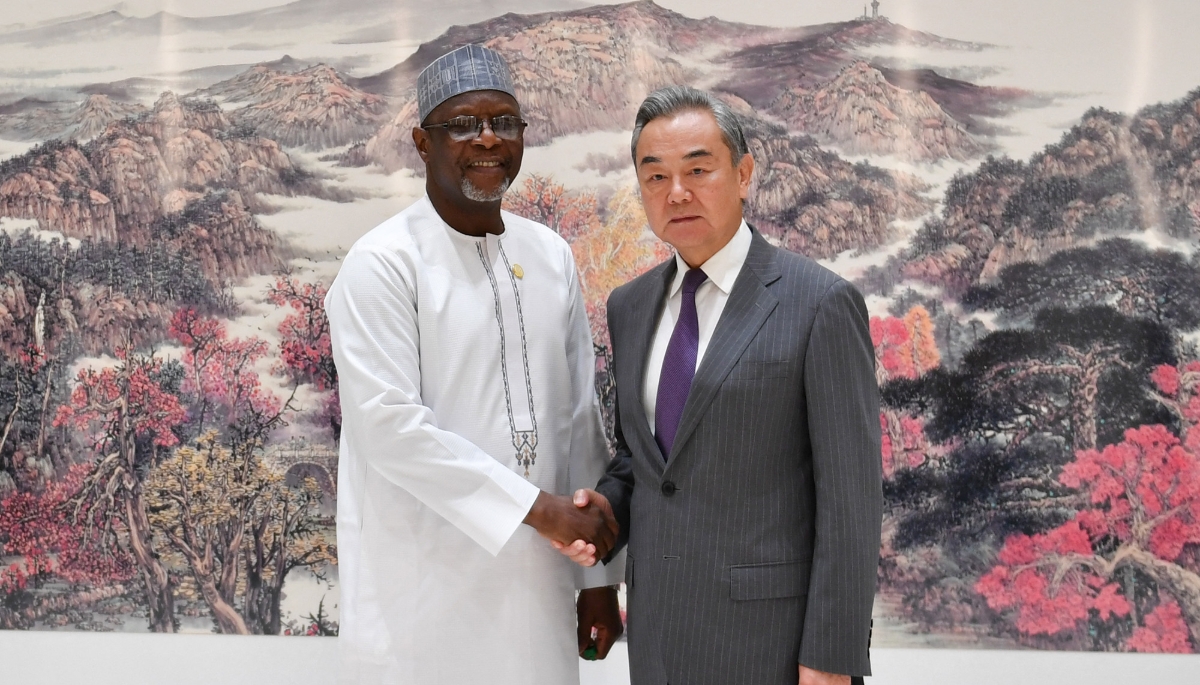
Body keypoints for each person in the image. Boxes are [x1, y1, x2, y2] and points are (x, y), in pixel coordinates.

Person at [560, 86, 883, 685]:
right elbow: (645, 459)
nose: (676, 192)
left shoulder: (819, 303)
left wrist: (832, 657)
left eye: (697, 169)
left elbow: (851, 499)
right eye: (654, 176)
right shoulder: (629, 307)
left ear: (743, 174)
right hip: (658, 640)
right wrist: (607, 511)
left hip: (774, 648)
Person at [325, 44, 623, 685]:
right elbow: (390, 429)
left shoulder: (549, 255)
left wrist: (596, 578)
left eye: (504, 122)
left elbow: (577, 418)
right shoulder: (383, 263)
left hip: (538, 591)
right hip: (423, 598)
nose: (487, 139)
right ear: (421, 142)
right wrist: (539, 510)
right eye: (463, 124)